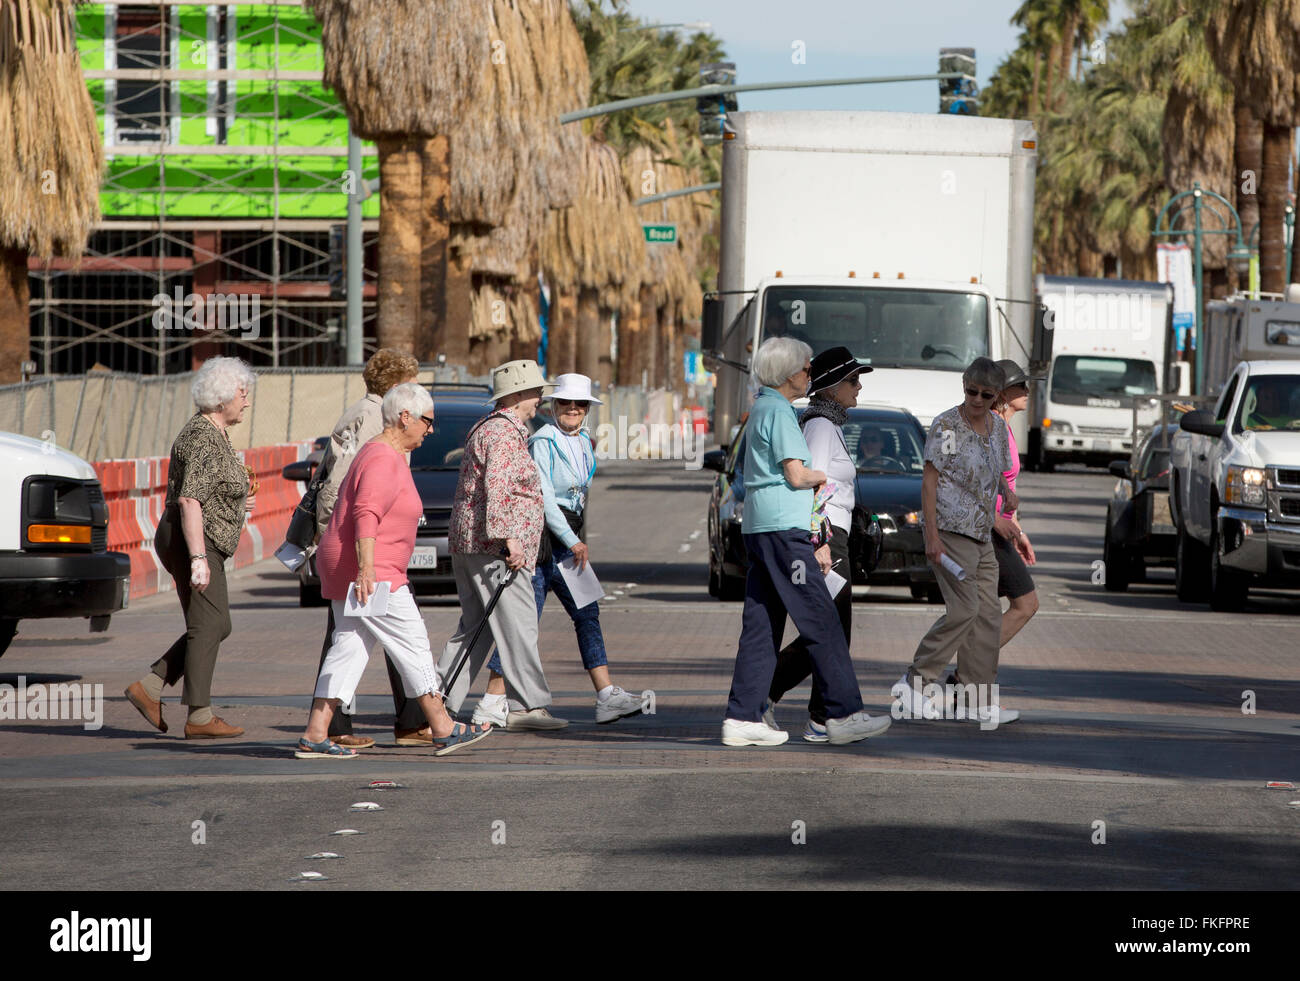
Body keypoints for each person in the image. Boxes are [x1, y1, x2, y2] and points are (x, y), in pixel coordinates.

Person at [297, 383, 493, 758]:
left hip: (354, 566)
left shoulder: (380, 453)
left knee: (350, 648)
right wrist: (367, 570)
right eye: (427, 421)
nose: (431, 429)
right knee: (413, 642)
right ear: (405, 417)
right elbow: (365, 513)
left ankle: (315, 732)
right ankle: (443, 726)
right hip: (373, 570)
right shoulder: (383, 458)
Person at [722, 337, 892, 747]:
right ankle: (841, 714)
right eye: (805, 368)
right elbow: (801, 476)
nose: (809, 374)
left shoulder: (764, 406)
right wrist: (822, 487)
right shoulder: (781, 411)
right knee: (823, 621)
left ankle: (743, 715)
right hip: (787, 528)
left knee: (762, 625)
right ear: (786, 374)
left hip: (764, 527)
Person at [470, 373, 644, 727]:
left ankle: (606, 694)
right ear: (553, 406)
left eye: (580, 404)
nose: (573, 410)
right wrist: (573, 539)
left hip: (568, 539)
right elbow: (544, 497)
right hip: (543, 541)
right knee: (523, 623)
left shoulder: (583, 442)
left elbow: (579, 496)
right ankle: (491, 700)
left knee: (587, 613)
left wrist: (577, 535)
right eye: (566, 403)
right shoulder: (544, 440)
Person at [124, 357, 256, 739]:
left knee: (217, 624)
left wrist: (237, 500)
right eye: (242, 394)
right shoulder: (201, 436)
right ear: (221, 399)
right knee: (208, 623)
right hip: (191, 539)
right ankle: (199, 716)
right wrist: (199, 558)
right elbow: (189, 500)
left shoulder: (215, 433)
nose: (246, 402)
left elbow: (210, 490)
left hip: (199, 537)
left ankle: (150, 687)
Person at [435, 360, 567, 731]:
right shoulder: (504, 434)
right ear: (518, 395)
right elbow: (500, 489)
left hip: (472, 543)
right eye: (536, 392)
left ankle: (434, 699)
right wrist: (510, 539)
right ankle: (527, 706)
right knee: (520, 624)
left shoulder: (489, 428)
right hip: (496, 550)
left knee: (476, 627)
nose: (540, 398)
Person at [891, 357, 1020, 727]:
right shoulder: (947, 425)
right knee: (964, 610)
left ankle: (974, 700)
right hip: (950, 531)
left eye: (985, 394)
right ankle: (914, 683)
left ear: (997, 396)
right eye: (970, 391)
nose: (976, 399)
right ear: (964, 386)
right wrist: (931, 535)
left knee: (988, 615)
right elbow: (929, 482)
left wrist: (1007, 493)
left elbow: (993, 469)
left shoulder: (996, 428)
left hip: (982, 533)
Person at [309, 348, 426, 750]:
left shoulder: (366, 413)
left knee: (351, 640)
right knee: (366, 639)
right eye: (411, 383)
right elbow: (352, 492)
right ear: (397, 387)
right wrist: (361, 555)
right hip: (358, 552)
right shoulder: (378, 420)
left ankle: (326, 729)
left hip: (359, 549)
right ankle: (422, 721)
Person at [765, 346, 876, 743]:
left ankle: (819, 717)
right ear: (830, 388)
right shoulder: (820, 427)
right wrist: (819, 541)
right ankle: (768, 695)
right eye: (853, 379)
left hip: (836, 536)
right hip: (827, 537)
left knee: (832, 630)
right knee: (828, 631)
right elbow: (812, 486)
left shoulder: (831, 424)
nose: (859, 386)